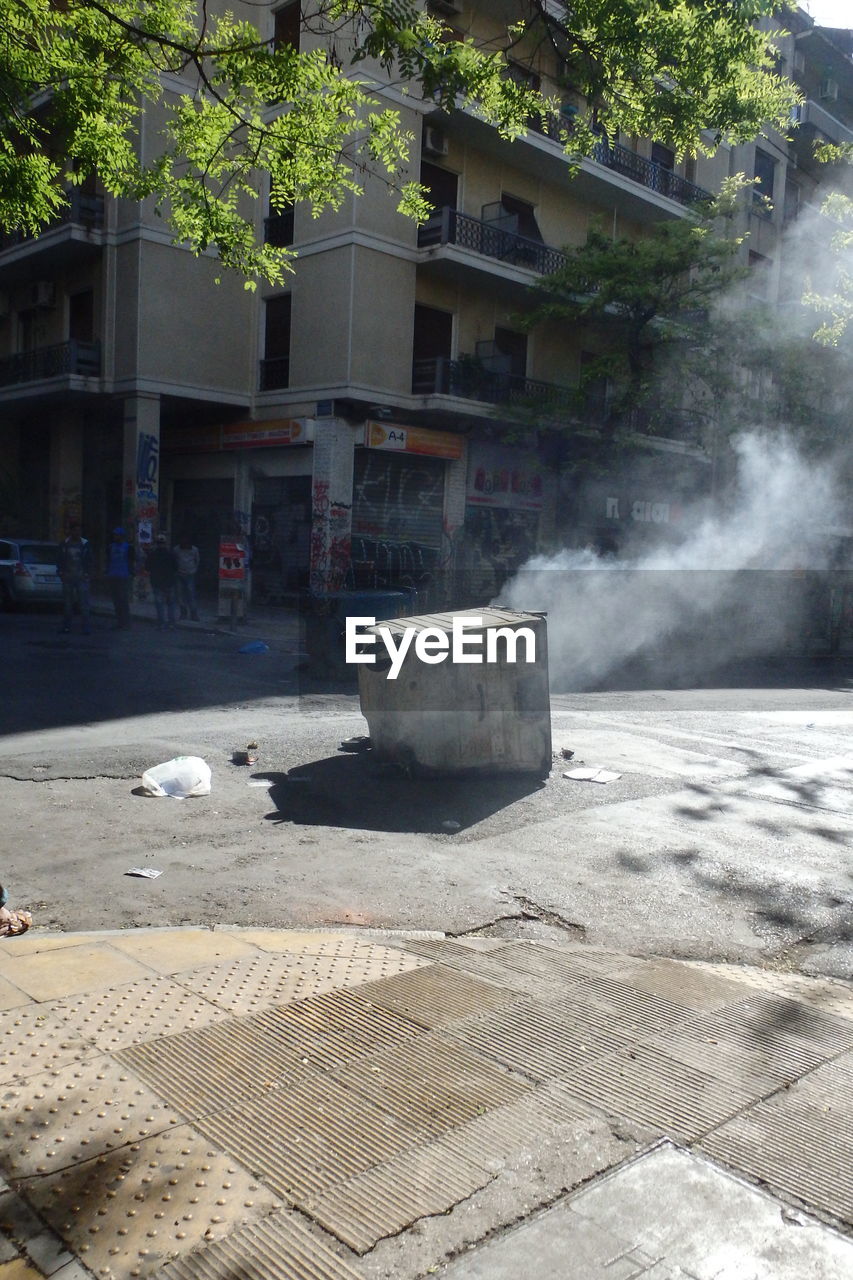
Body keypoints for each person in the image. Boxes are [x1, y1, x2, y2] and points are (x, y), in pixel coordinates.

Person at [57, 520, 92, 634]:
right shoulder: (64, 544)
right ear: (71, 531)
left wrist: (87, 573)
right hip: (68, 577)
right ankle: (67, 626)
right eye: (75, 530)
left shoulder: (85, 544)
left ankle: (86, 627)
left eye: (79, 530)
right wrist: (61, 572)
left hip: (82, 577)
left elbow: (90, 560)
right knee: (67, 604)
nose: (77, 532)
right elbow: (59, 559)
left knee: (84, 604)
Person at [146, 533, 178, 630]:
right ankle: (171, 624)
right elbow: (176, 567)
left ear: (156, 543)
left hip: (157, 582)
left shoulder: (152, 555)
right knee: (171, 604)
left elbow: (147, 567)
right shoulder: (171, 554)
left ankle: (161, 624)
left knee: (159, 604)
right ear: (165, 543)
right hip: (169, 582)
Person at [106, 526, 135, 629]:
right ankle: (120, 622)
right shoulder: (111, 547)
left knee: (123, 600)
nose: (115, 536)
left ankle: (126, 622)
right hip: (113, 575)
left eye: (116, 535)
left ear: (121, 536)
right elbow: (108, 560)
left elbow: (132, 561)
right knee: (116, 601)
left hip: (123, 576)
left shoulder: (128, 547)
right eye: (114, 535)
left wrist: (131, 573)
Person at [173, 534, 200, 620]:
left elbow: (197, 560)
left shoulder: (194, 550)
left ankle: (193, 612)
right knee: (180, 594)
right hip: (179, 574)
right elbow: (174, 560)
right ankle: (183, 611)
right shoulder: (176, 549)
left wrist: (194, 570)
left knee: (191, 593)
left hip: (190, 574)